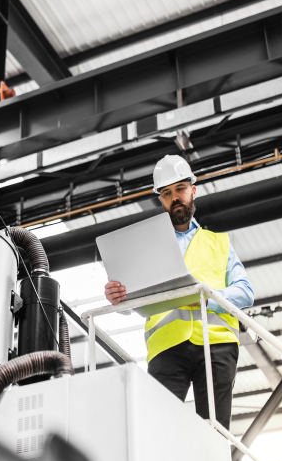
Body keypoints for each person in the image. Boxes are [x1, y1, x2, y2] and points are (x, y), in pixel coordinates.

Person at [104, 155, 254, 429]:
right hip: (166, 347)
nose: (174, 198)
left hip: (216, 346)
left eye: (180, 189)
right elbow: (133, 299)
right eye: (166, 193)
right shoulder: (148, 246)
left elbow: (245, 292)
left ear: (193, 191)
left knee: (216, 433)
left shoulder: (218, 243)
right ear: (161, 200)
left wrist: (207, 299)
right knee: (160, 432)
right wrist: (119, 298)